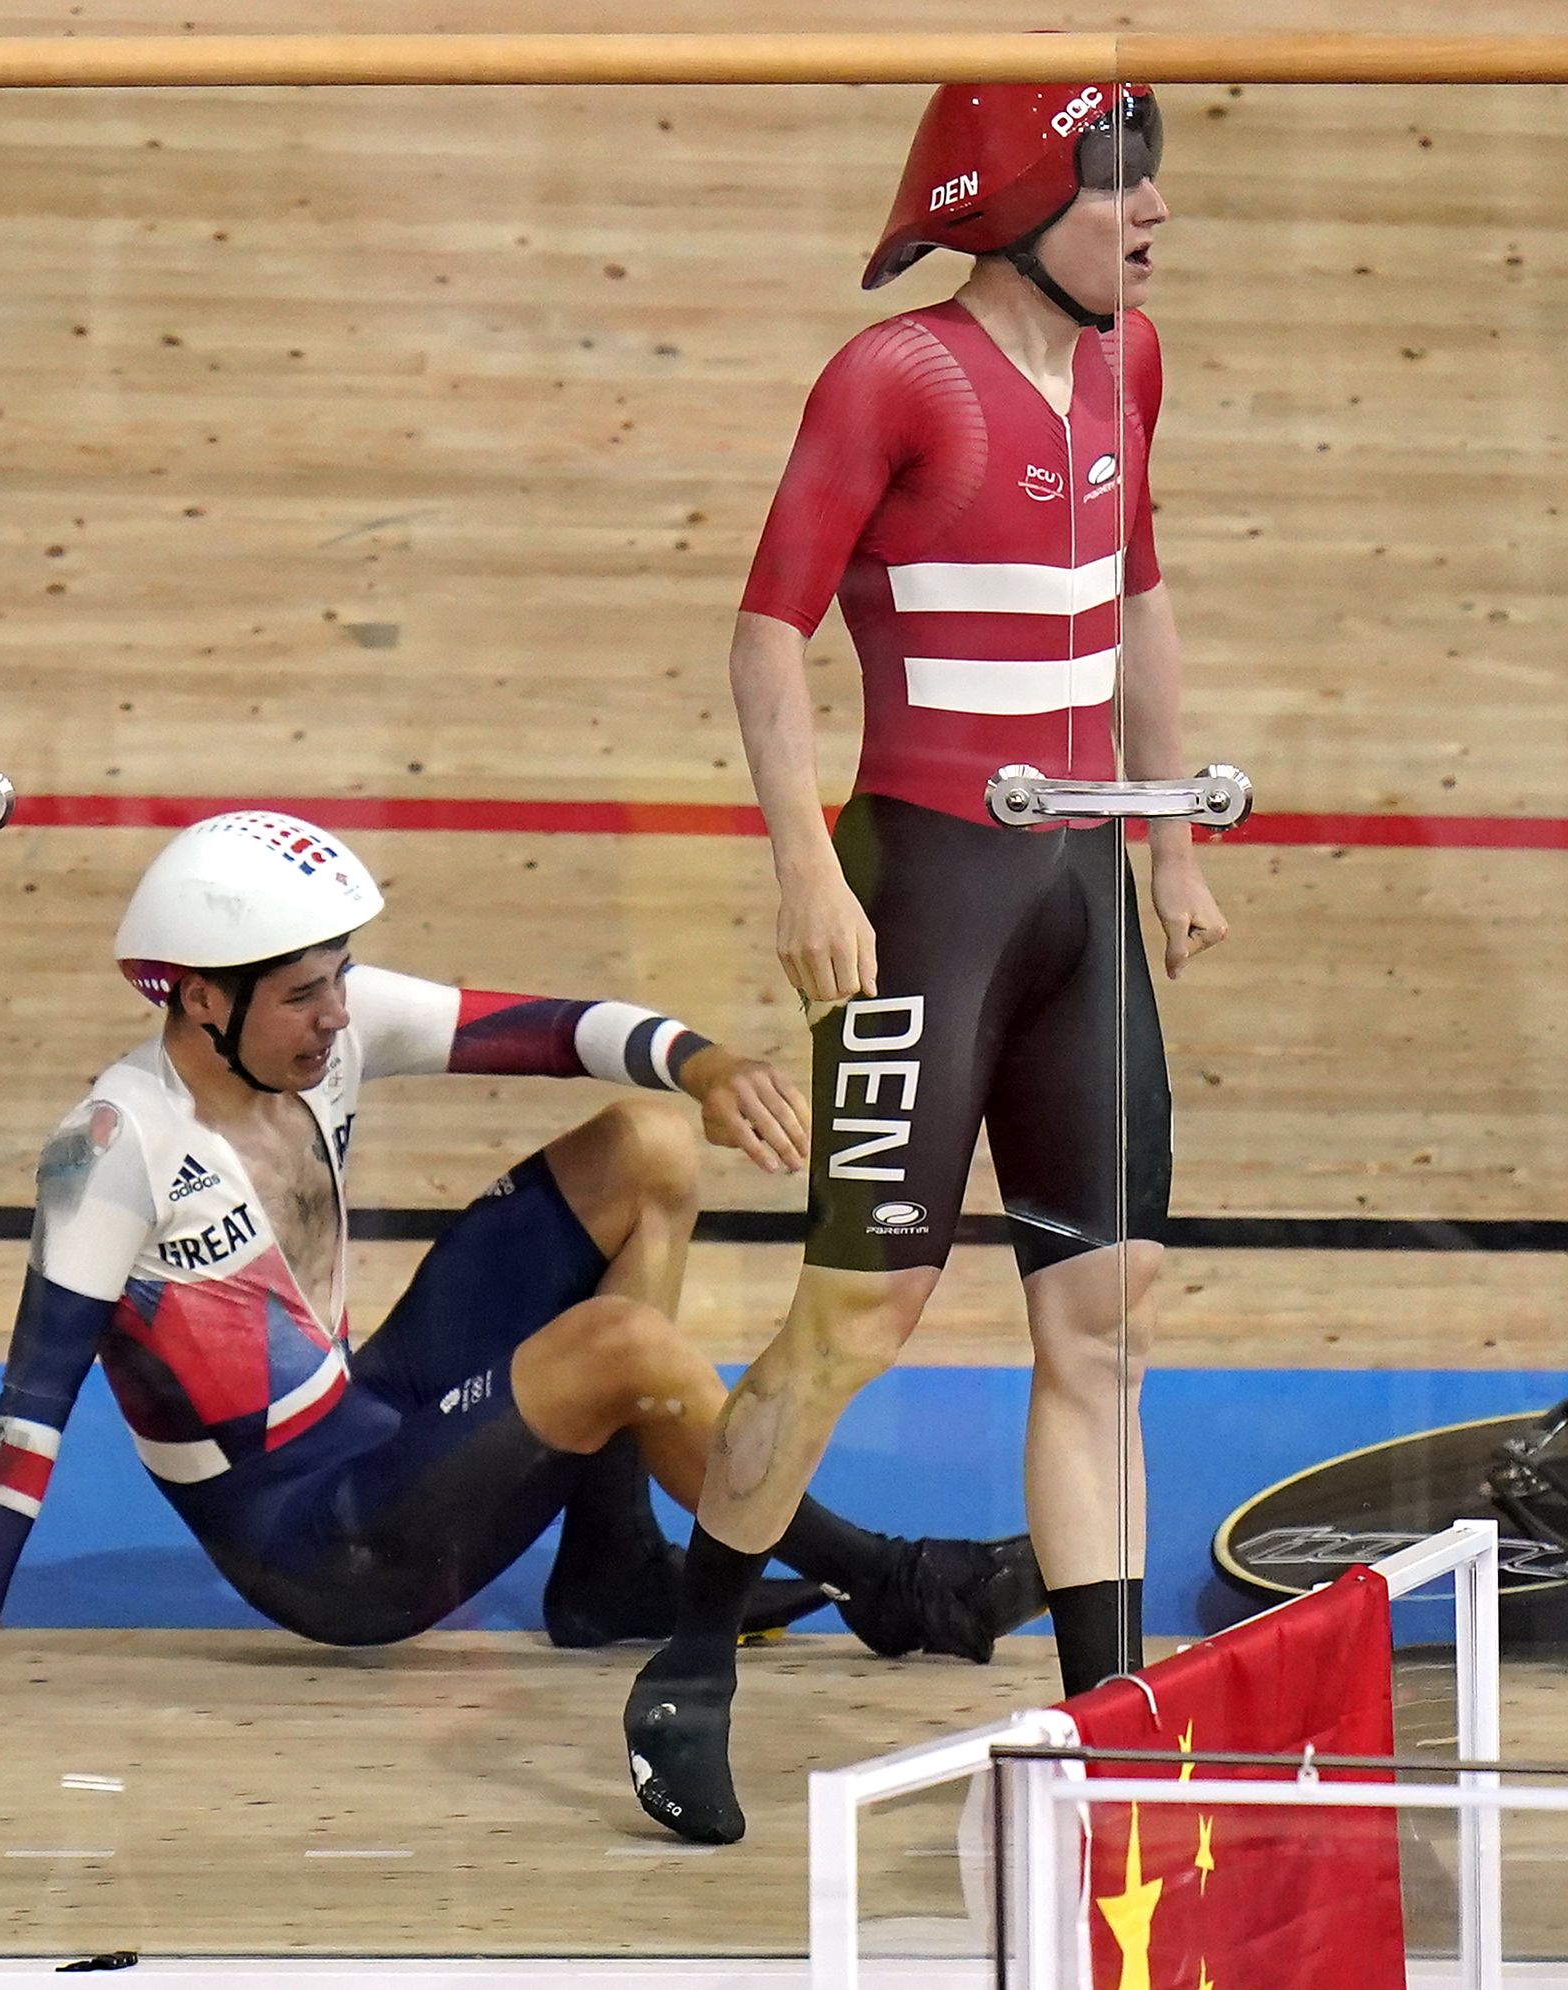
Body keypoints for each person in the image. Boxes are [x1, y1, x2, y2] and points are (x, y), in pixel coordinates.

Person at [0, 809, 1043, 1710]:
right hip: (328, 1548)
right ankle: (886, 1580)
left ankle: (610, 1567)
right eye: (305, 995)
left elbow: (565, 1031)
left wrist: (708, 1062)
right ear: (198, 999)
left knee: (647, 1141)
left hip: (368, 1415)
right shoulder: (112, 1149)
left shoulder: (312, 1028)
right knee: (623, 1348)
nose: (339, 1014)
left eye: (340, 982)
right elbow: (31, 1405)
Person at [622, 80, 1228, 1847]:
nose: (1151, 215)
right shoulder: (892, 378)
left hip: (1078, 884)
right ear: (1020, 195)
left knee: (1101, 1322)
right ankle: (690, 1652)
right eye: (1115, 183)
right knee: (857, 1317)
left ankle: (1109, 1728)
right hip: (928, 891)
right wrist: (807, 866)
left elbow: (1138, 596)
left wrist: (1174, 832)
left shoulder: (1133, 367)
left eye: (1154, 183)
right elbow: (763, 634)